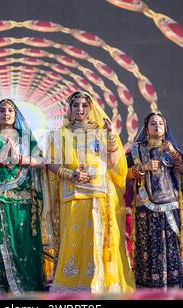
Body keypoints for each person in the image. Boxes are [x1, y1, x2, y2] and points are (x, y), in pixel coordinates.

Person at [45, 91, 135, 293]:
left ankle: (104, 287)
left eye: (84, 105)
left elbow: (114, 164)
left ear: (90, 107)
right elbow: (50, 163)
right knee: (74, 240)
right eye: (75, 105)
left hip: (101, 195)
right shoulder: (58, 135)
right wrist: (70, 174)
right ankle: (73, 290)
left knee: (102, 241)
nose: (80, 109)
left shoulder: (102, 132)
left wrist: (111, 136)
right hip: (74, 195)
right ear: (69, 109)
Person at [0, 99, 45, 294]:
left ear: (16, 114)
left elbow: (42, 161)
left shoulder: (26, 137)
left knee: (23, 246)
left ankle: (27, 294)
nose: (6, 113)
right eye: (2, 110)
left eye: (10, 110)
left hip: (22, 200)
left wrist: (21, 159)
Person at [126, 112, 183, 289]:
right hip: (145, 209)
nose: (157, 126)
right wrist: (143, 168)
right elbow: (123, 173)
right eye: (152, 123)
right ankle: (147, 291)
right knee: (146, 251)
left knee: (171, 250)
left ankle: (172, 290)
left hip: (169, 208)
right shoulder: (136, 149)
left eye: (160, 124)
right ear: (146, 128)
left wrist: (173, 152)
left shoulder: (172, 149)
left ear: (165, 129)